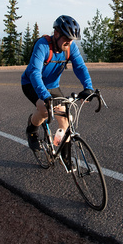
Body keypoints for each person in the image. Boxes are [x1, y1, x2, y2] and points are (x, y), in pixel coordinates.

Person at [21, 15, 94, 151]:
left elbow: (80, 67)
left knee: (66, 120)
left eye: (71, 40)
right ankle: (31, 130)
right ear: (56, 34)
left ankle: (64, 153)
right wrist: (44, 96)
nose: (69, 43)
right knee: (45, 111)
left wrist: (88, 88)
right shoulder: (42, 45)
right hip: (31, 84)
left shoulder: (70, 47)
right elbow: (34, 73)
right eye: (66, 39)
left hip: (52, 86)